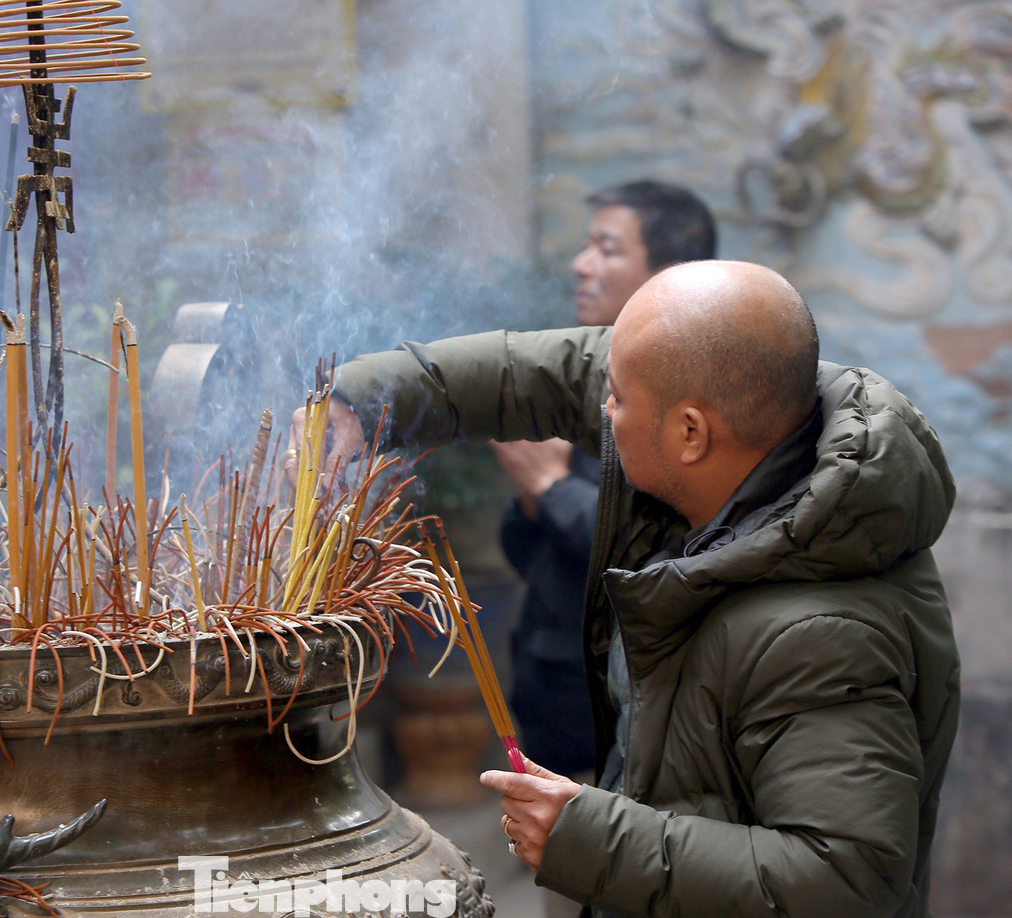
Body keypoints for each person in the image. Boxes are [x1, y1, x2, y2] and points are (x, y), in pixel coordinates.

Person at [290, 260, 959, 916]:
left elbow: (846, 879)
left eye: (616, 397)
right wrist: (364, 401)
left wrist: (592, 840)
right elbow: (553, 371)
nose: (598, 410)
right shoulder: (748, 430)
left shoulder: (821, 635)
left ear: (690, 433)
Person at [492, 181, 715, 778]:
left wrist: (553, 489)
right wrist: (532, 496)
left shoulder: (688, 390)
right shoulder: (587, 381)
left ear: (668, 272)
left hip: (628, 706)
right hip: (553, 687)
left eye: (607, 249)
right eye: (586, 245)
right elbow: (531, 560)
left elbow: (664, 552)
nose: (580, 265)